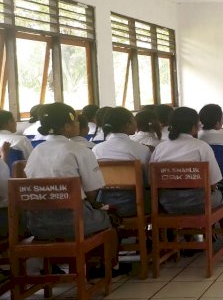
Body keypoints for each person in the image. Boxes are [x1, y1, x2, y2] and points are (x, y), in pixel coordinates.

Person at [24, 103, 114, 240]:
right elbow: (92, 192)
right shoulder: (79, 150)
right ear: (67, 126)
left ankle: (60, 261)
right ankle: (99, 261)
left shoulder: (35, 152)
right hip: (74, 222)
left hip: (39, 224)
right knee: (111, 218)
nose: (78, 123)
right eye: (76, 121)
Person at [151, 107, 223, 214]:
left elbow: (151, 181)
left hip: (167, 204)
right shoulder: (202, 147)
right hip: (200, 203)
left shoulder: (160, 148)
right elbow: (214, 182)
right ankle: (222, 228)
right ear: (193, 126)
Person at [92, 107, 152, 217]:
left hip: (106, 204)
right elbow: (148, 180)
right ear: (128, 124)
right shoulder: (141, 149)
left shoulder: (96, 149)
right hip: (135, 204)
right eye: (133, 120)